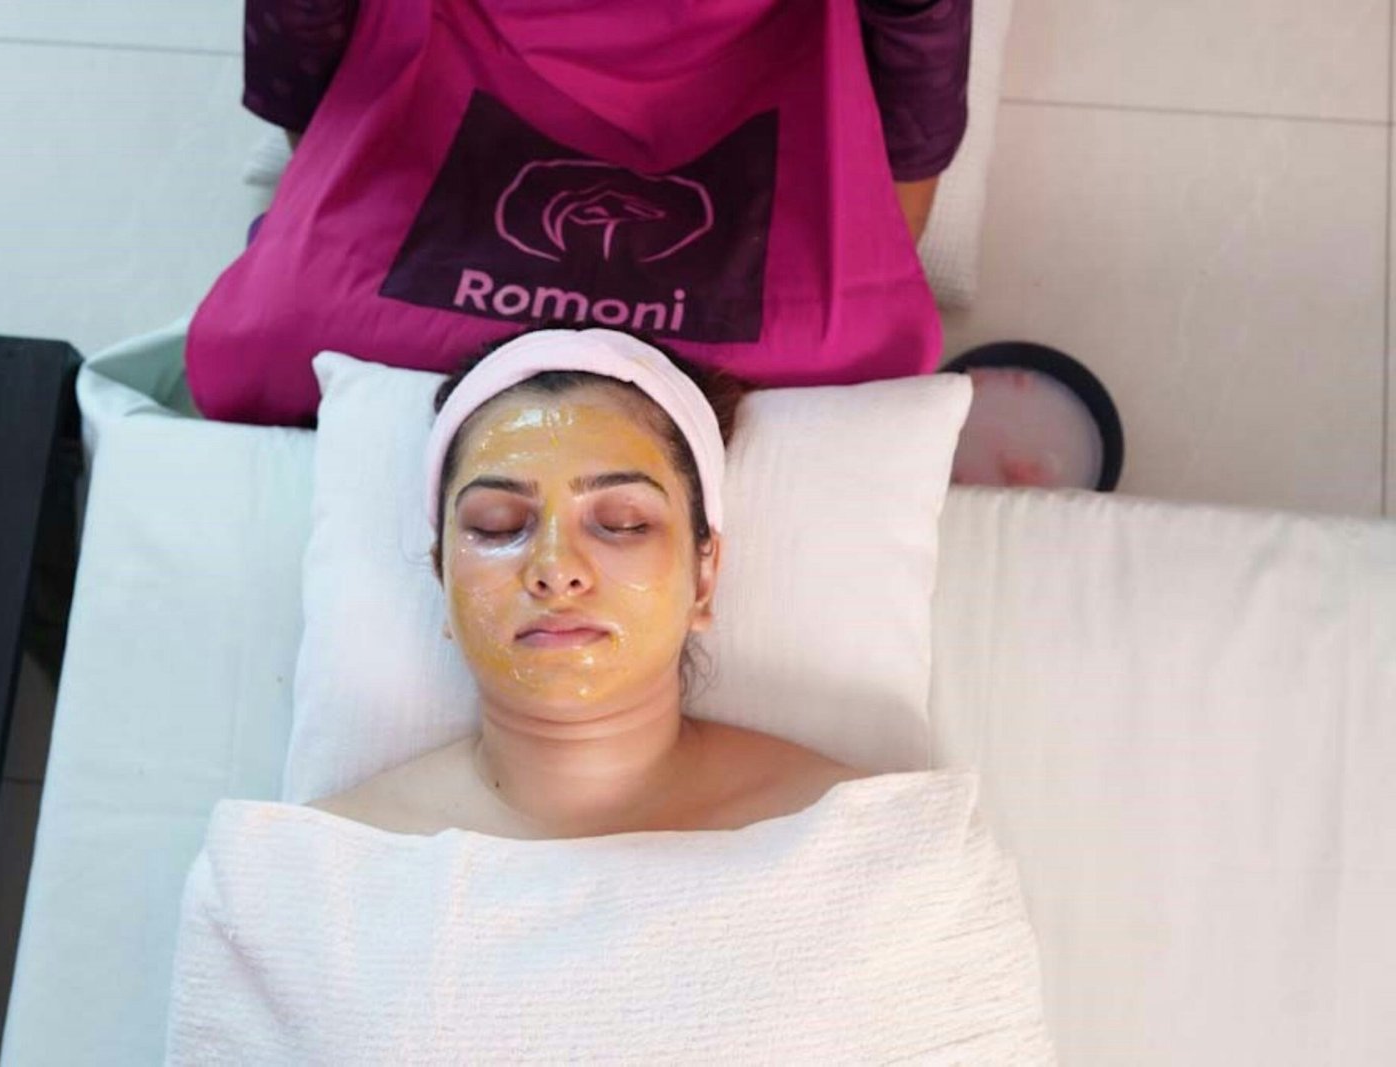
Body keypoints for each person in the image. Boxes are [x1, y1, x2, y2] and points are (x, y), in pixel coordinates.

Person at [187, 0, 973, 427]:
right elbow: (306, 90)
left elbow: (913, 88)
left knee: (857, 376)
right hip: (446, 74)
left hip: (760, 85)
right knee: (279, 335)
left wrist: (870, 243)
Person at [308, 325, 864, 839]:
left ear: (704, 575)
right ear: (442, 576)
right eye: (496, 525)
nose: (554, 569)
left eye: (623, 523)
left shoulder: (868, 845)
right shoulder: (313, 870)